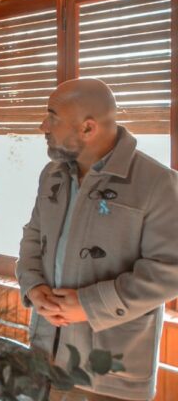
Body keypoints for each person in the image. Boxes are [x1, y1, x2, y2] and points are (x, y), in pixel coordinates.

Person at [16, 78, 178, 401]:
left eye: (52, 116)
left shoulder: (158, 184)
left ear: (88, 129)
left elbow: (169, 272)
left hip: (108, 375)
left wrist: (89, 306)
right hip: (44, 358)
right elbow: (33, 238)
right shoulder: (52, 175)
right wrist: (32, 287)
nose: (42, 125)